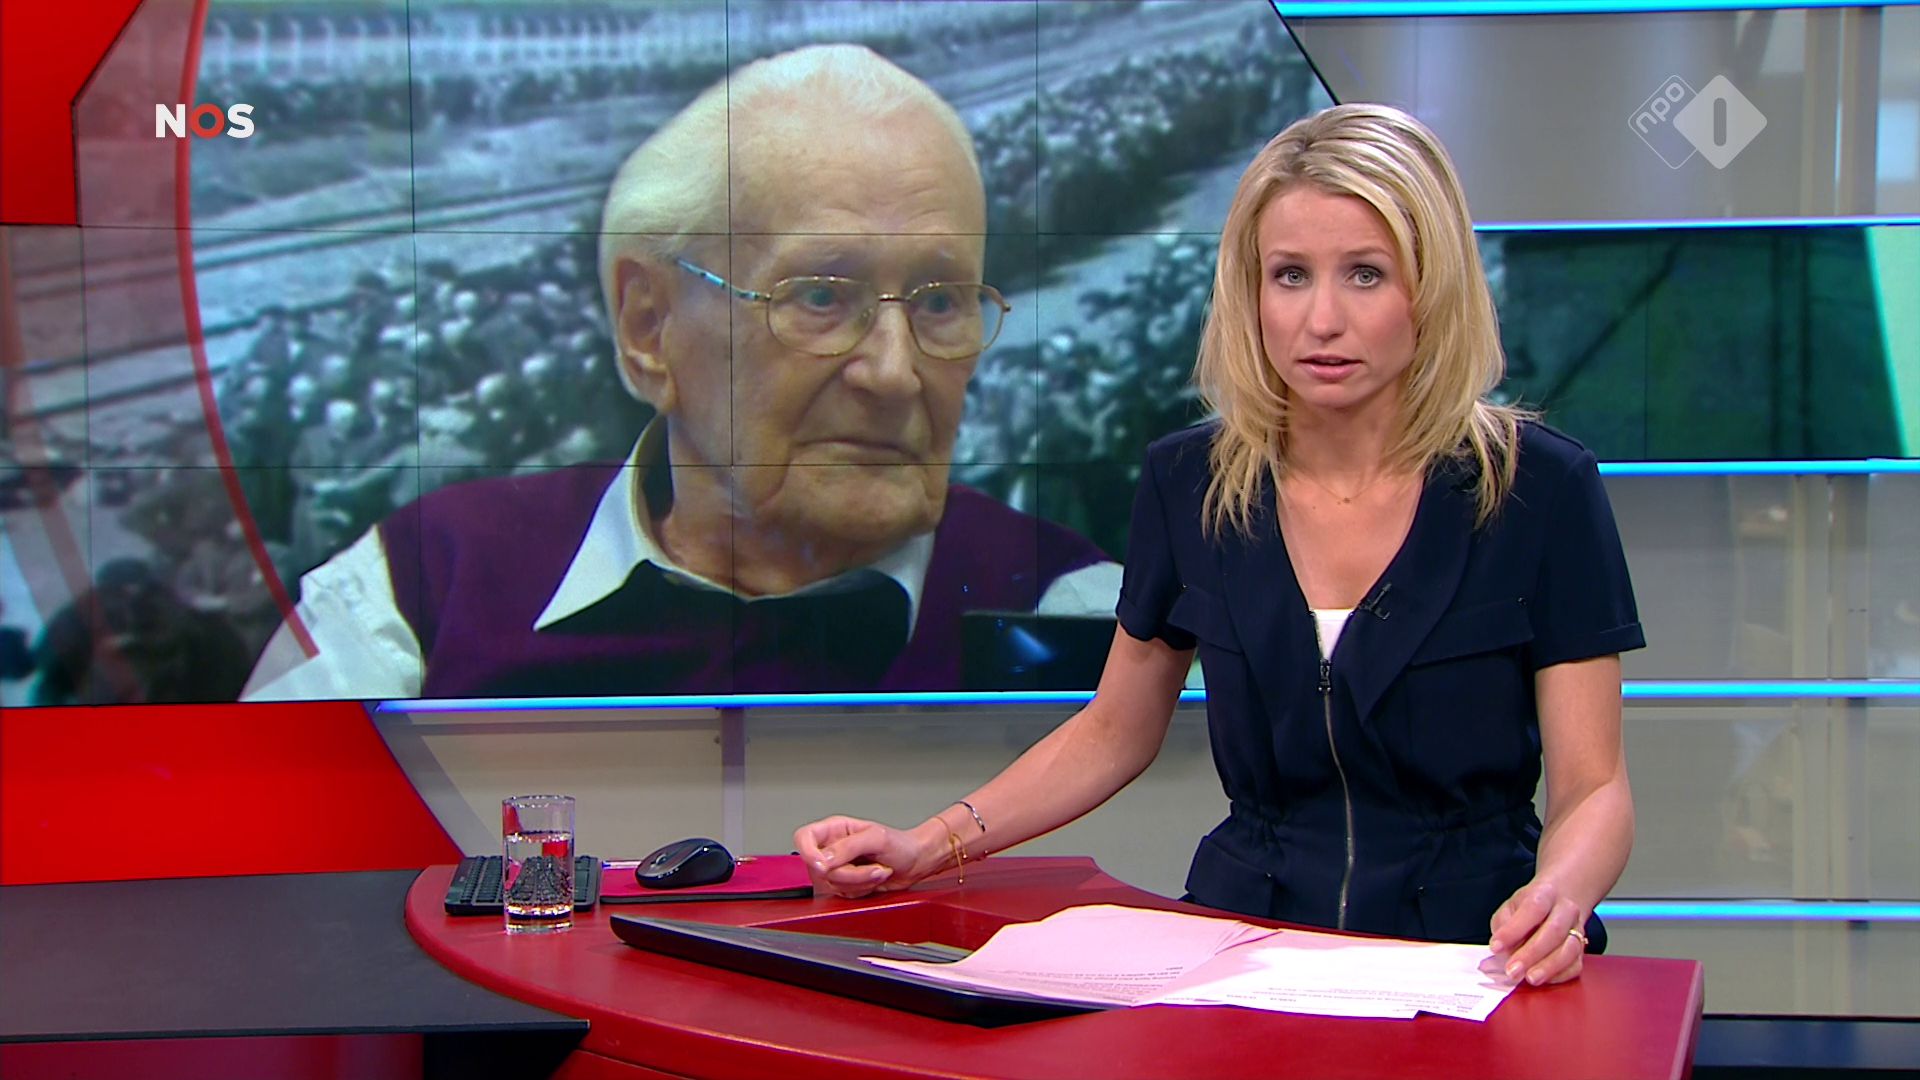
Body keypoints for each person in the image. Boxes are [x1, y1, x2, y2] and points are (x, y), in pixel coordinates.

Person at [795, 104, 1643, 989]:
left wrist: (1561, 893)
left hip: (1472, 956)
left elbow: (1595, 788)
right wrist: (928, 842)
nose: (1321, 319)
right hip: (1248, 943)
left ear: (1432, 288)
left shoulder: (1540, 490)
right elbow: (1114, 730)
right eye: (1289, 276)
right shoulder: (1189, 484)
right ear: (1251, 291)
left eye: (1365, 274)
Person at [241, 45, 1119, 701]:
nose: (895, 374)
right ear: (649, 328)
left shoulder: (1075, 615)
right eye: (820, 296)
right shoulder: (416, 594)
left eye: (941, 302)